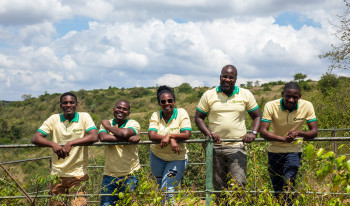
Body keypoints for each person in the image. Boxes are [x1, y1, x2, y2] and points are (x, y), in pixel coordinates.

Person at [195, 64, 261, 192]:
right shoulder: (209, 95)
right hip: (215, 147)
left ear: (235, 79)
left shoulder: (245, 94)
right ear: (220, 77)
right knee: (219, 187)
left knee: (238, 185)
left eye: (231, 77)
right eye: (225, 76)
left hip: (237, 147)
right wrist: (209, 134)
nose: (227, 80)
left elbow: (257, 116)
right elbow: (198, 117)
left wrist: (253, 133)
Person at [32, 92, 98, 206]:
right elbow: (36, 138)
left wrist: (71, 143)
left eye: (71, 102)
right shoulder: (54, 119)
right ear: (61, 105)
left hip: (78, 174)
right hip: (57, 174)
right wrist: (53, 145)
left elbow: (94, 136)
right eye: (65, 103)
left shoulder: (84, 117)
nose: (68, 105)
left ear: (76, 104)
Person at [260, 82, 318, 203]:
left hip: (294, 150)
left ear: (300, 97)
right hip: (274, 150)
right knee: (277, 187)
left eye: (295, 97)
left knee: (289, 183)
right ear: (282, 94)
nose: (291, 100)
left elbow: (314, 132)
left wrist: (298, 133)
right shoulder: (271, 105)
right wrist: (283, 139)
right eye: (288, 96)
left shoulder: (307, 106)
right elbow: (263, 132)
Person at [148, 85, 192, 203]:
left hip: (177, 158)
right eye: (163, 101)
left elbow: (187, 134)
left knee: (168, 188)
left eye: (170, 101)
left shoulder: (181, 113)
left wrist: (170, 136)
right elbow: (152, 135)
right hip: (157, 156)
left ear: (174, 101)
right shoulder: (156, 115)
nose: (167, 103)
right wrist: (172, 139)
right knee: (159, 188)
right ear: (159, 103)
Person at [98, 100, 141, 206]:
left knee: (129, 204)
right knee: (106, 204)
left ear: (129, 113)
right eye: (118, 108)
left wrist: (108, 127)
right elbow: (103, 137)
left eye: (125, 109)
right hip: (109, 174)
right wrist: (126, 139)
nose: (121, 111)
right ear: (114, 109)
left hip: (130, 174)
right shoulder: (106, 122)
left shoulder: (133, 123)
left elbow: (124, 132)